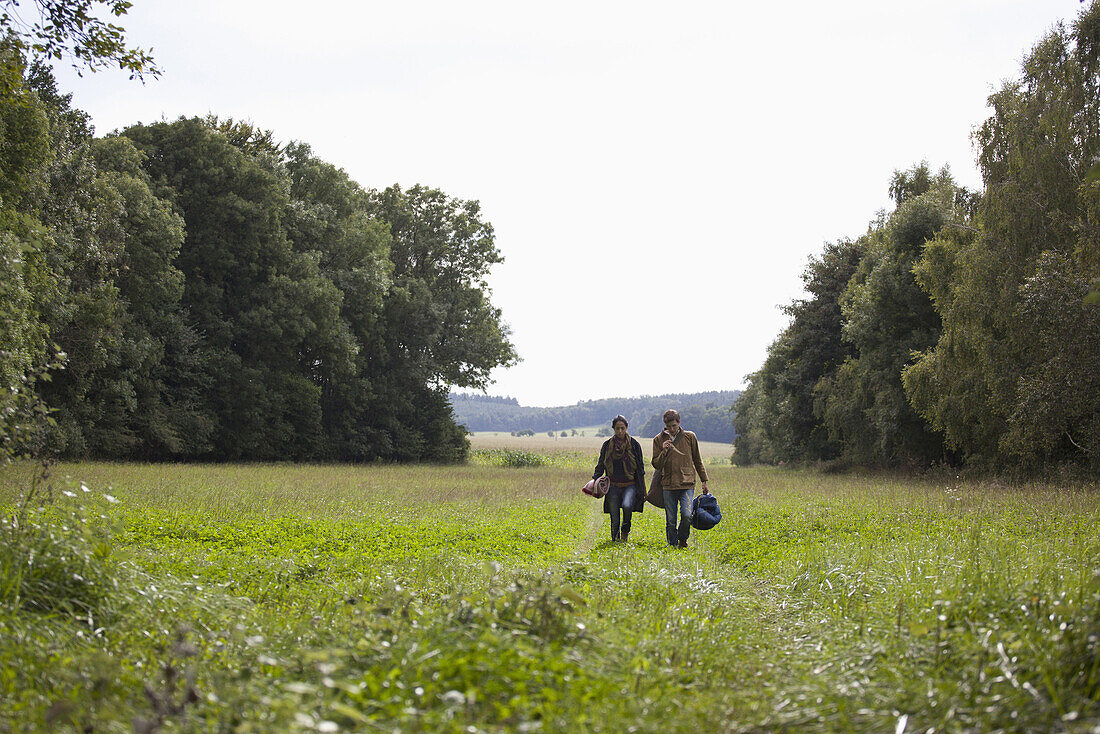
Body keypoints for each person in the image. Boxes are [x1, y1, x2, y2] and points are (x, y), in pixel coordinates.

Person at [652, 409, 709, 547]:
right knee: (671, 520)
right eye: (669, 426)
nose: (671, 429)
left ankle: (682, 540)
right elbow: (656, 464)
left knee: (687, 515)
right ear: (665, 425)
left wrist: (704, 481)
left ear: (679, 423)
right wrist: (664, 451)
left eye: (674, 426)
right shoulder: (658, 440)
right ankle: (672, 544)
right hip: (668, 484)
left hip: (687, 483)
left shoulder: (690, 437)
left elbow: (697, 460)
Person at [591, 415, 647, 542]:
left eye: (622, 428)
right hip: (612, 485)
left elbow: (640, 468)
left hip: (630, 484)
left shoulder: (634, 445)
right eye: (617, 429)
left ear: (626, 428)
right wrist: (595, 480)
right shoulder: (607, 445)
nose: (620, 431)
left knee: (627, 506)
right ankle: (615, 540)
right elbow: (601, 464)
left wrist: (643, 489)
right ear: (613, 429)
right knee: (614, 516)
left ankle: (625, 531)